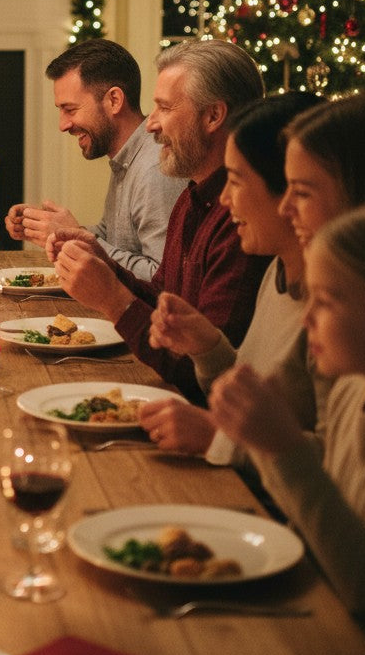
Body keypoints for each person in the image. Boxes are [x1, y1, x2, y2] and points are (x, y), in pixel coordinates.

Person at [209, 199, 365, 651]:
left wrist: (283, 448)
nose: (306, 317)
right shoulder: (350, 392)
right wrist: (259, 437)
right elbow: (320, 515)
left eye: (326, 301)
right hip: (319, 619)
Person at [48, 38, 269, 402]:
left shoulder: (241, 220)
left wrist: (114, 300)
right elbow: (163, 296)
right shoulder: (192, 197)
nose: (150, 124)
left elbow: (200, 375)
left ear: (213, 116)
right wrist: (104, 264)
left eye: (164, 108)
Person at [138, 91, 323, 454]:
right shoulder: (277, 271)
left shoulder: (339, 305)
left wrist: (217, 438)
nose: (223, 199)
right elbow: (253, 400)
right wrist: (207, 346)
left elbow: (342, 465)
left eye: (235, 181)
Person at [5, 40, 184, 280]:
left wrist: (74, 237)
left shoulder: (154, 169)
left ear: (114, 100)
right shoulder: (126, 159)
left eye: (70, 109)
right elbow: (113, 237)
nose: (63, 125)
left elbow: (162, 277)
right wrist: (52, 227)